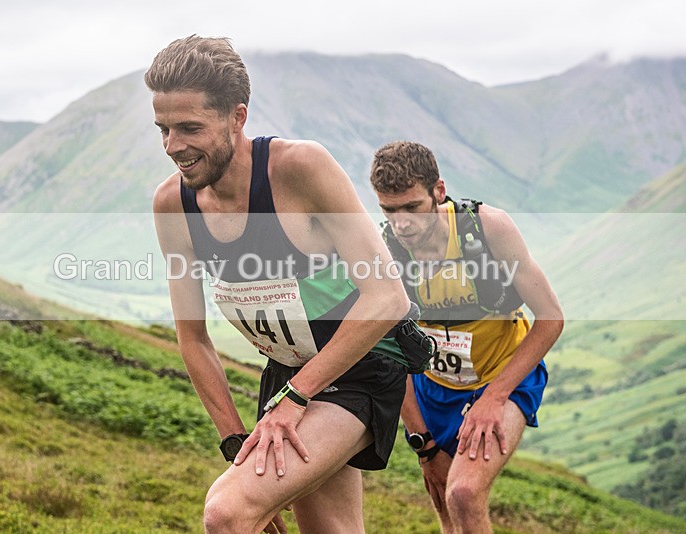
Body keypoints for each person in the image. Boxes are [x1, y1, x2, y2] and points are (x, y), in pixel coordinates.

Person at [147, 35, 412, 533]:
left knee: (227, 512)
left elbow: (387, 297)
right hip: (286, 374)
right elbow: (193, 338)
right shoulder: (172, 207)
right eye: (163, 129)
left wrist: (294, 399)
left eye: (189, 128)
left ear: (237, 117)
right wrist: (234, 443)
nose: (173, 146)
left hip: (358, 367)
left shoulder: (299, 169)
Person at [369, 141, 564, 534]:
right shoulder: (385, 250)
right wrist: (421, 441)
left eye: (411, 207)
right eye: (389, 210)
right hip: (432, 387)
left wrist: (494, 398)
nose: (401, 222)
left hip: (502, 375)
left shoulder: (487, 229)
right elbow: (391, 351)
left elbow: (550, 318)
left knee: (463, 493)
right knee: (445, 506)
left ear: (438, 192)